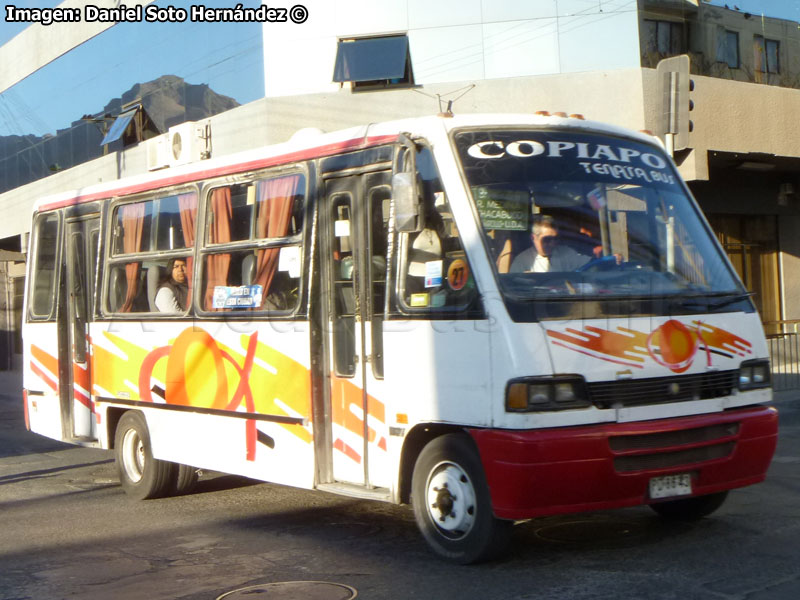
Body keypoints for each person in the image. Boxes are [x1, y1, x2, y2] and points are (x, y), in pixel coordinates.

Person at [510, 214, 589, 273]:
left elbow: (589, 265)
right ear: (533, 238)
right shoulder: (522, 261)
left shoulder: (566, 253)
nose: (553, 243)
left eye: (555, 239)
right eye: (547, 239)